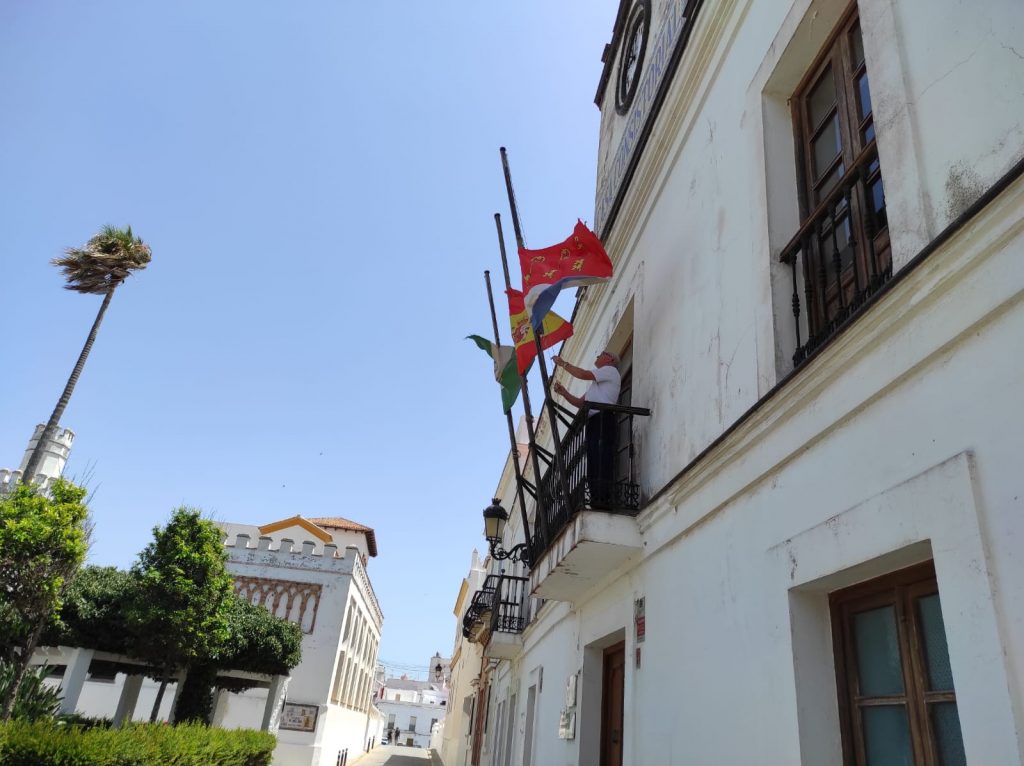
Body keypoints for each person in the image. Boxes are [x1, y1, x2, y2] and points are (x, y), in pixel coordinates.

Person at [551, 350, 621, 508]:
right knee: (595, 458)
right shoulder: (597, 384)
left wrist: (563, 363)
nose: (597, 356)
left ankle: (603, 498)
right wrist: (564, 393)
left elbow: (583, 374)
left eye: (601, 354)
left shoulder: (610, 371)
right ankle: (597, 497)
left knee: (601, 457)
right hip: (595, 420)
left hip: (604, 418)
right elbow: (581, 403)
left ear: (610, 358)